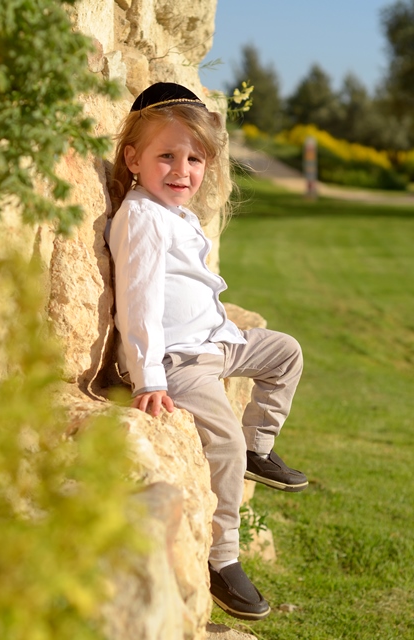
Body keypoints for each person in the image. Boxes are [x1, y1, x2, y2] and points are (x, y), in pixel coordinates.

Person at [106, 82, 308, 621]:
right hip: (179, 360)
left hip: (217, 342)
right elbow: (138, 301)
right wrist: (149, 376)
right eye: (166, 157)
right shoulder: (143, 217)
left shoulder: (178, 214)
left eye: (194, 159)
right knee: (222, 441)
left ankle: (258, 447)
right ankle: (222, 558)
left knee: (285, 353)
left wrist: (226, 333)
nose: (182, 170)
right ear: (133, 158)